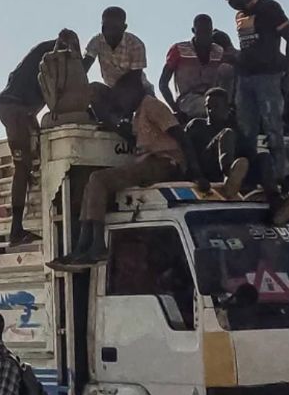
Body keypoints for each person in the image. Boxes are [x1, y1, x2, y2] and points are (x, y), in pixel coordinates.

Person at [46, 78, 206, 271]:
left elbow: (181, 136)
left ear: (133, 91)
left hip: (164, 163)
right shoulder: (137, 113)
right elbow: (133, 137)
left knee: (99, 179)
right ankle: (82, 246)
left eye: (122, 95)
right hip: (149, 163)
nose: (120, 101)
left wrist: (196, 172)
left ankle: (96, 245)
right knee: (92, 185)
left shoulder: (152, 106)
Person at [220, 0, 289, 223]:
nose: (230, 4)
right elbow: (246, 50)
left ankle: (283, 181)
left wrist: (286, 74)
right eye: (226, 0)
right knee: (247, 130)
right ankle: (254, 179)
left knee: (273, 129)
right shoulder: (239, 16)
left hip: (269, 76)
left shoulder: (269, 8)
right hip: (245, 78)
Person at [0, 30, 82, 247]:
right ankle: (16, 230)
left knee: (36, 152)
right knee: (22, 166)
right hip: (15, 109)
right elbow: (59, 93)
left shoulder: (40, 53)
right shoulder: (52, 57)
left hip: (18, 109)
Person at [160, 14, 233, 122]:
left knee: (228, 69)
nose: (204, 36)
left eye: (207, 32)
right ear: (193, 31)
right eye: (200, 32)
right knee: (217, 111)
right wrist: (175, 109)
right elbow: (163, 83)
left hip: (214, 98)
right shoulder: (179, 50)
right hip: (187, 100)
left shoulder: (219, 51)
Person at [84, 7, 148, 126]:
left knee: (147, 111)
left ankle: (123, 122)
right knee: (92, 89)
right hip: (112, 92)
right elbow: (84, 68)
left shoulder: (135, 44)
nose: (109, 32)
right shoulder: (96, 41)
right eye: (105, 27)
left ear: (124, 28)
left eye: (114, 28)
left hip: (138, 91)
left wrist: (117, 102)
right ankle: (106, 122)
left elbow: (135, 80)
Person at [185, 87, 249, 196]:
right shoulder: (196, 125)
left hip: (224, 168)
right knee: (227, 133)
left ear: (226, 108)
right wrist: (197, 176)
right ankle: (229, 175)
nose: (210, 111)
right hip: (204, 169)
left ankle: (275, 196)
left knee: (263, 157)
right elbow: (185, 149)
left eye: (215, 107)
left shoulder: (235, 128)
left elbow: (247, 153)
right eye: (208, 107)